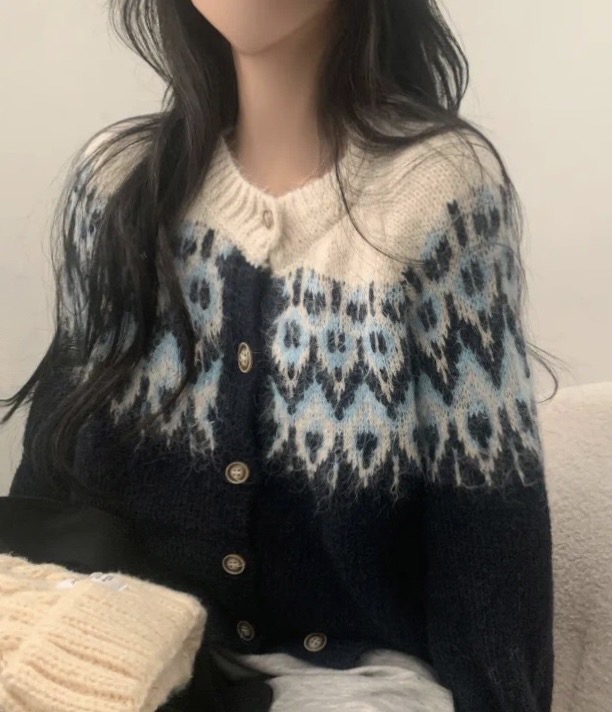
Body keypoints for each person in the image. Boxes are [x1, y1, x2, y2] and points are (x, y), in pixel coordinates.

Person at [1, 1, 561, 710]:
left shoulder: (435, 193)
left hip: (348, 685)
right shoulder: (120, 182)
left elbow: (487, 525)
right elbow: (46, 499)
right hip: (115, 661)